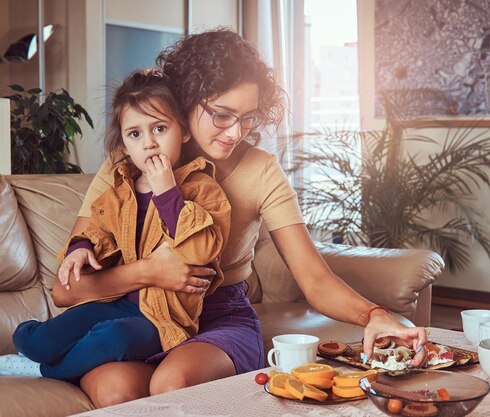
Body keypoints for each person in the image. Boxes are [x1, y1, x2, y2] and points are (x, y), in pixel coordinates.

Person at [50, 28, 429, 407]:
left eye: (248, 118)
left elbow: (313, 279)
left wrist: (375, 315)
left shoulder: (261, 170)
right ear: (186, 100)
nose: (235, 132)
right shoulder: (128, 165)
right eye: (221, 115)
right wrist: (149, 272)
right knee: (116, 392)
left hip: (218, 319)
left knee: (171, 383)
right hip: (135, 316)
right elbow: (65, 290)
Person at [0, 69, 230, 383]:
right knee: (34, 339)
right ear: (123, 145)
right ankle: (34, 348)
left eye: (159, 128)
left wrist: (166, 193)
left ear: (184, 132)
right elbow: (97, 229)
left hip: (163, 319)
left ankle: (46, 370)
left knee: (113, 338)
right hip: (116, 302)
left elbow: (201, 249)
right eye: (135, 134)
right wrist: (81, 248)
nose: (149, 143)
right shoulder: (121, 190)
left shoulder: (202, 187)